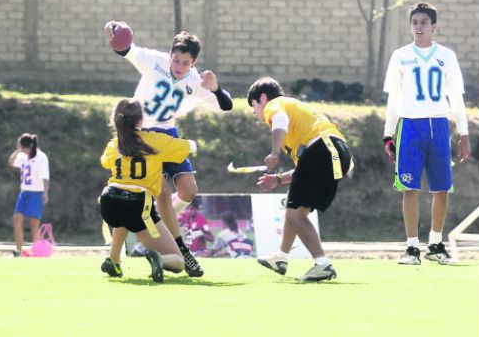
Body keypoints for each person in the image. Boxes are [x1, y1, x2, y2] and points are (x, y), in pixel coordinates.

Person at [104, 20, 234, 277]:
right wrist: (114, 29)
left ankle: (162, 226)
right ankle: (178, 247)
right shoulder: (155, 61)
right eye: (176, 60)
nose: (178, 67)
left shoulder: (196, 82)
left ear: (193, 63)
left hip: (167, 135)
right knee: (159, 192)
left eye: (185, 63)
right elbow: (126, 49)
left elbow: (226, 106)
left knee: (188, 190)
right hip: (140, 135)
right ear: (170, 56)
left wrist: (216, 88)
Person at [382, 2, 471, 266]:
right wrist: (389, 134)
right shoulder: (400, 56)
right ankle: (411, 247)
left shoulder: (447, 56)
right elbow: (394, 99)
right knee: (410, 187)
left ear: (434, 26)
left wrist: (463, 134)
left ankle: (435, 243)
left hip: (439, 125)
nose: (418, 27)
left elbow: (456, 97)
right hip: (410, 126)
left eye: (423, 22)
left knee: (441, 187)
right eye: (414, 23)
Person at [247, 77, 353, 282]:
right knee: (294, 207)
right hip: (337, 152)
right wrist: (278, 179)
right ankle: (281, 257)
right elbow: (302, 170)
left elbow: (279, 121)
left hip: (322, 149)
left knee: (296, 214)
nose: (254, 112)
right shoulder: (297, 119)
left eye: (253, 106)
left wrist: (275, 153)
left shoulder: (274, 104)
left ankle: (323, 264)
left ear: (262, 98)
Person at [99, 98, 195, 282]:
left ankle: (113, 260)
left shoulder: (113, 144)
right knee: (178, 261)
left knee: (122, 213)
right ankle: (159, 259)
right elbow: (189, 146)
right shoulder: (155, 141)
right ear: (141, 120)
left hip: (109, 201)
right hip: (137, 206)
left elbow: (105, 162)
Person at [8, 133, 50, 257]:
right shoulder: (22, 156)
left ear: (30, 146)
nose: (22, 151)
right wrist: (17, 150)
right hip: (24, 192)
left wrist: (45, 192)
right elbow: (11, 162)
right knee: (17, 219)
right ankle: (19, 250)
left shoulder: (41, 157)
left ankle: (36, 251)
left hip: (36, 193)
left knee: (34, 223)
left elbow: (45, 177)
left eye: (23, 148)